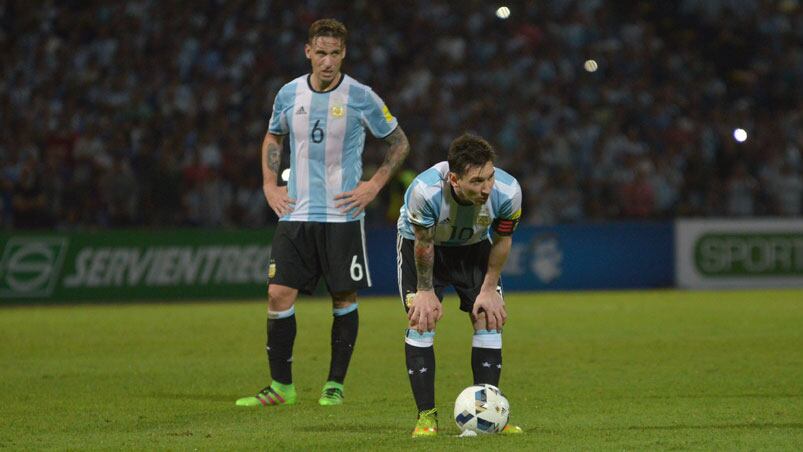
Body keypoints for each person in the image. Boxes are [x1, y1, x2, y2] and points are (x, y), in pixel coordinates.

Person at [237, 18, 410, 407]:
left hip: (342, 214)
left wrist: (374, 185)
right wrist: (268, 184)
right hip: (295, 212)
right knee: (278, 294)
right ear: (308, 52)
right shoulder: (288, 93)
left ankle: (335, 383)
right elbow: (273, 134)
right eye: (321, 53)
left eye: (335, 53)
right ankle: (282, 387)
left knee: (342, 296)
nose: (327, 61)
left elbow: (399, 142)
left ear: (343, 53)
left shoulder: (360, 95)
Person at [396, 133, 523, 437]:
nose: (487, 188)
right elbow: (424, 243)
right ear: (454, 179)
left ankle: (492, 415)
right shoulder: (425, 192)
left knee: (489, 320)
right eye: (477, 181)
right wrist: (425, 292)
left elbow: (503, 240)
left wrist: (490, 288)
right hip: (423, 248)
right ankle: (426, 417)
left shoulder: (508, 191)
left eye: (489, 177)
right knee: (421, 321)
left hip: (474, 247)